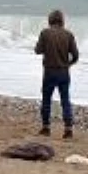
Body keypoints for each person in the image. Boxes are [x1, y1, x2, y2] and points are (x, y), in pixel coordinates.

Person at [35, 9, 80, 139]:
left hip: (49, 72)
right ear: (62, 21)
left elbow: (38, 51)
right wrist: (68, 64)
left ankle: (46, 128)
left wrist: (43, 47)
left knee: (46, 100)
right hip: (64, 72)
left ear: (50, 20)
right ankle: (68, 129)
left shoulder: (45, 33)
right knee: (65, 100)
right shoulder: (69, 35)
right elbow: (76, 56)